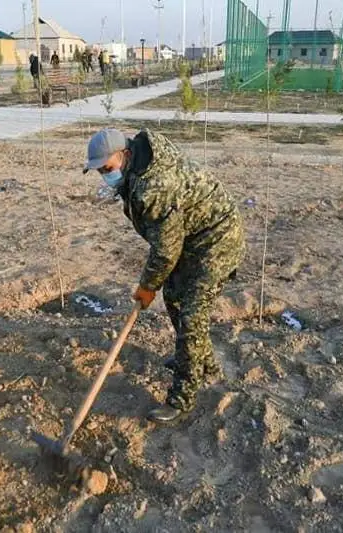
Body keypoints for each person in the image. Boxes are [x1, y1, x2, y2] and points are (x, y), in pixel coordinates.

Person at [82, 128, 245, 423]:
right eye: (100, 171)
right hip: (190, 235)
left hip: (217, 239)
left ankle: (182, 397)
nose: (104, 175)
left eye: (107, 169)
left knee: (192, 315)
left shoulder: (153, 187)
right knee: (173, 296)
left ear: (125, 155)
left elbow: (166, 251)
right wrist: (157, 285)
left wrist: (147, 286)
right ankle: (199, 360)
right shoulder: (138, 167)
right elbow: (167, 240)